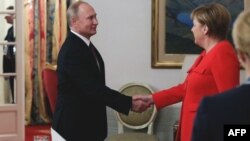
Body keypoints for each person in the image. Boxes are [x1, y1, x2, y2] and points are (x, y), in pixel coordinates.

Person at [135, 3, 240, 141]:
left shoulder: (223, 53)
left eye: (194, 25)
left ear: (205, 28)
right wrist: (152, 99)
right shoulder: (206, 55)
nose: (191, 29)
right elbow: (186, 89)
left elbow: (230, 103)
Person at [51, 1, 148, 141]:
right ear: (74, 21)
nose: (96, 22)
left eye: (95, 17)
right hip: (73, 128)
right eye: (90, 18)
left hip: (86, 127)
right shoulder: (72, 50)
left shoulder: (84, 46)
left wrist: (129, 101)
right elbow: (93, 89)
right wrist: (129, 102)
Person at [192, 10, 250, 141]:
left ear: (240, 55)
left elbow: (234, 132)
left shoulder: (215, 108)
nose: (191, 29)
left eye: (194, 24)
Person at [3, 5, 15, 103]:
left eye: (7, 15)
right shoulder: (10, 30)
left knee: (17, 87)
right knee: (12, 87)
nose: (4, 17)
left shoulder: (17, 31)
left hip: (16, 65)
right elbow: (6, 51)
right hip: (10, 65)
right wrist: (6, 69)